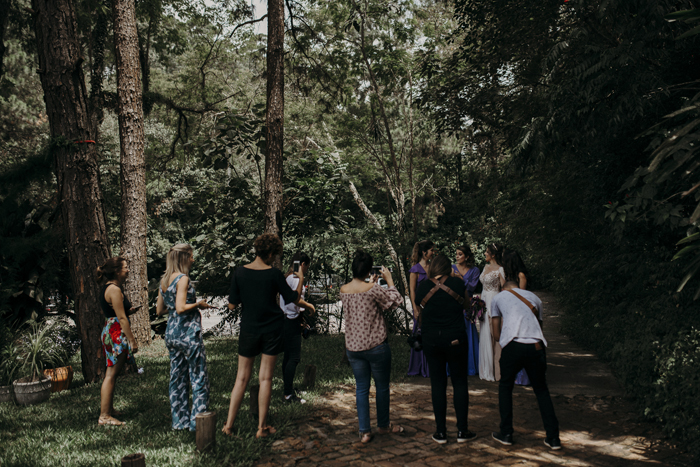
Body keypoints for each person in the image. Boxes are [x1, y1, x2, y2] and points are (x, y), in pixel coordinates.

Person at [223, 233, 305, 439]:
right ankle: (262, 428)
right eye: (274, 255)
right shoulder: (274, 274)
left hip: (249, 329)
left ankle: (228, 426)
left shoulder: (240, 272)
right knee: (266, 377)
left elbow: (232, 305)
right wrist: (301, 279)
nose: (274, 259)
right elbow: (293, 298)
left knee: (241, 378)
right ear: (269, 254)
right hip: (272, 330)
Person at [490, 249, 561, 450]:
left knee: (505, 387)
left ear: (504, 284)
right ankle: (553, 438)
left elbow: (496, 335)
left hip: (513, 345)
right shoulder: (534, 298)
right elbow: (539, 327)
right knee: (541, 389)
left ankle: (506, 433)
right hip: (536, 346)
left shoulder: (498, 299)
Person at [340, 250, 404, 443]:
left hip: (354, 347)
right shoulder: (373, 289)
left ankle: (365, 432)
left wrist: (371, 282)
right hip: (376, 346)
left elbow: (361, 300)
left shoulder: (343, 290)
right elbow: (395, 302)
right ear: (369, 270)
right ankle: (383, 425)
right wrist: (390, 281)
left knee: (361, 388)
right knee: (381, 387)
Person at [416, 254, 477, 444]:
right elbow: (467, 305)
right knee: (460, 382)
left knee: (437, 383)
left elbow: (420, 312)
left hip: (431, 339)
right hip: (455, 338)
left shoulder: (423, 287)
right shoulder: (457, 284)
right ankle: (462, 431)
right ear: (447, 268)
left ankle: (441, 432)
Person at [156, 244, 212, 431]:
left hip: (172, 333)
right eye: (191, 256)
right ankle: (198, 422)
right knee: (198, 376)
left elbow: (160, 310)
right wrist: (198, 304)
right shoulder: (183, 279)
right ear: (184, 258)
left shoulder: (164, 281)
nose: (193, 260)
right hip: (188, 333)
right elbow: (181, 308)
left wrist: (175, 306)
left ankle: (179, 422)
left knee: (177, 378)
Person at [97, 257, 138, 426]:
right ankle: (104, 416)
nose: (128, 270)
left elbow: (117, 312)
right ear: (116, 271)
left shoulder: (109, 288)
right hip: (115, 332)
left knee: (112, 373)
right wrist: (132, 340)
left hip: (111, 330)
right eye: (125, 267)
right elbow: (121, 318)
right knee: (111, 374)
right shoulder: (114, 290)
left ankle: (109, 409)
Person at [279, 252, 316, 404]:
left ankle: (288, 388)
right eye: (307, 266)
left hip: (289, 319)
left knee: (288, 356)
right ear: (302, 264)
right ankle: (288, 395)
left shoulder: (288, 277)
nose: (307, 269)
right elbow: (296, 300)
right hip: (290, 320)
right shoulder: (295, 279)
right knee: (293, 358)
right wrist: (309, 306)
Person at [502, 249, 531, 386]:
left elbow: (521, 296)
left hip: (519, 311)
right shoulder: (510, 276)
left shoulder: (521, 275)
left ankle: (522, 376)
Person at [451, 245, 480, 375]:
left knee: (468, 332)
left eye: (460, 254)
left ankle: (470, 366)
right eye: (456, 254)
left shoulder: (474, 270)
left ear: (467, 256)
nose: (457, 256)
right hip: (453, 303)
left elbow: (471, 288)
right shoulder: (451, 267)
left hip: (467, 304)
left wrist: (460, 279)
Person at [407, 240, 435, 377]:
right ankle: (419, 366)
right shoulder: (415, 270)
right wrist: (415, 308)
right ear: (424, 252)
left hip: (433, 305)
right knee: (420, 333)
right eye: (431, 250)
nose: (433, 253)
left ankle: (432, 365)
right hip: (420, 306)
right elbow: (412, 290)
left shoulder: (434, 267)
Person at [478, 243, 505, 382]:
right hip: (483, 301)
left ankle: (497, 371)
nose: (485, 254)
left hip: (494, 300)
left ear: (493, 254)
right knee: (485, 333)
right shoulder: (485, 267)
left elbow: (504, 289)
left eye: (487, 252)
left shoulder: (501, 269)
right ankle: (486, 369)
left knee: (495, 335)